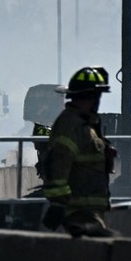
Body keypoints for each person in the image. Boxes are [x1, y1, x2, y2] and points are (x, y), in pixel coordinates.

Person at [42, 66, 117, 238]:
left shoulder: (85, 125)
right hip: (78, 212)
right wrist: (59, 205)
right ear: (91, 97)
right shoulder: (71, 125)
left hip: (89, 210)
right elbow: (59, 164)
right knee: (106, 250)